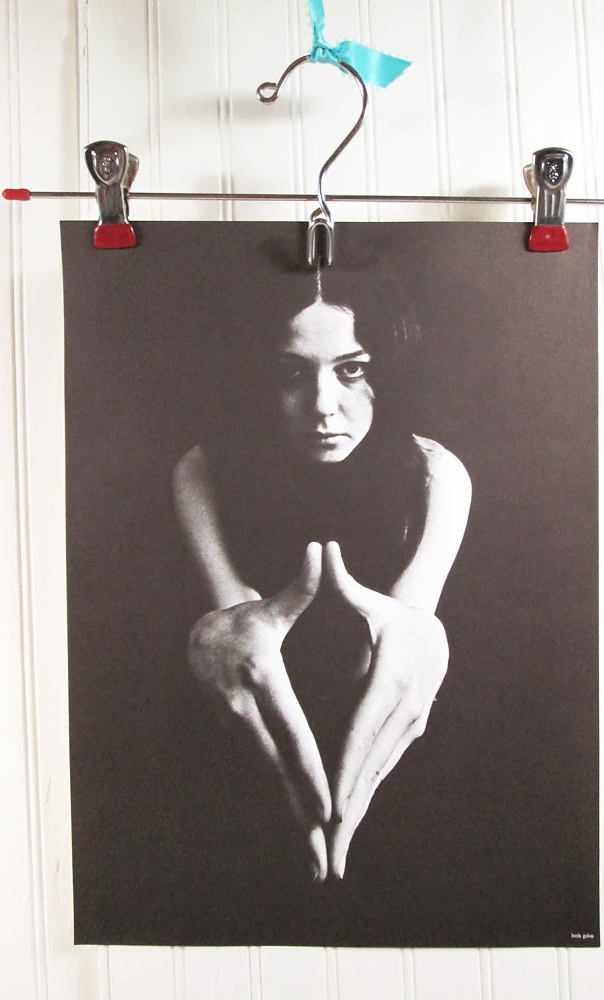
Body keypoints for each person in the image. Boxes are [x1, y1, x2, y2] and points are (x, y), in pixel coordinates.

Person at [173, 263, 472, 883]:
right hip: (223, 788)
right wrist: (222, 635)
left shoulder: (435, 476)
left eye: (351, 370)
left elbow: (403, 640)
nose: (322, 406)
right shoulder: (205, 473)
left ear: (386, 367)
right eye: (291, 374)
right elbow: (241, 638)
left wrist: (417, 638)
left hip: (415, 789)